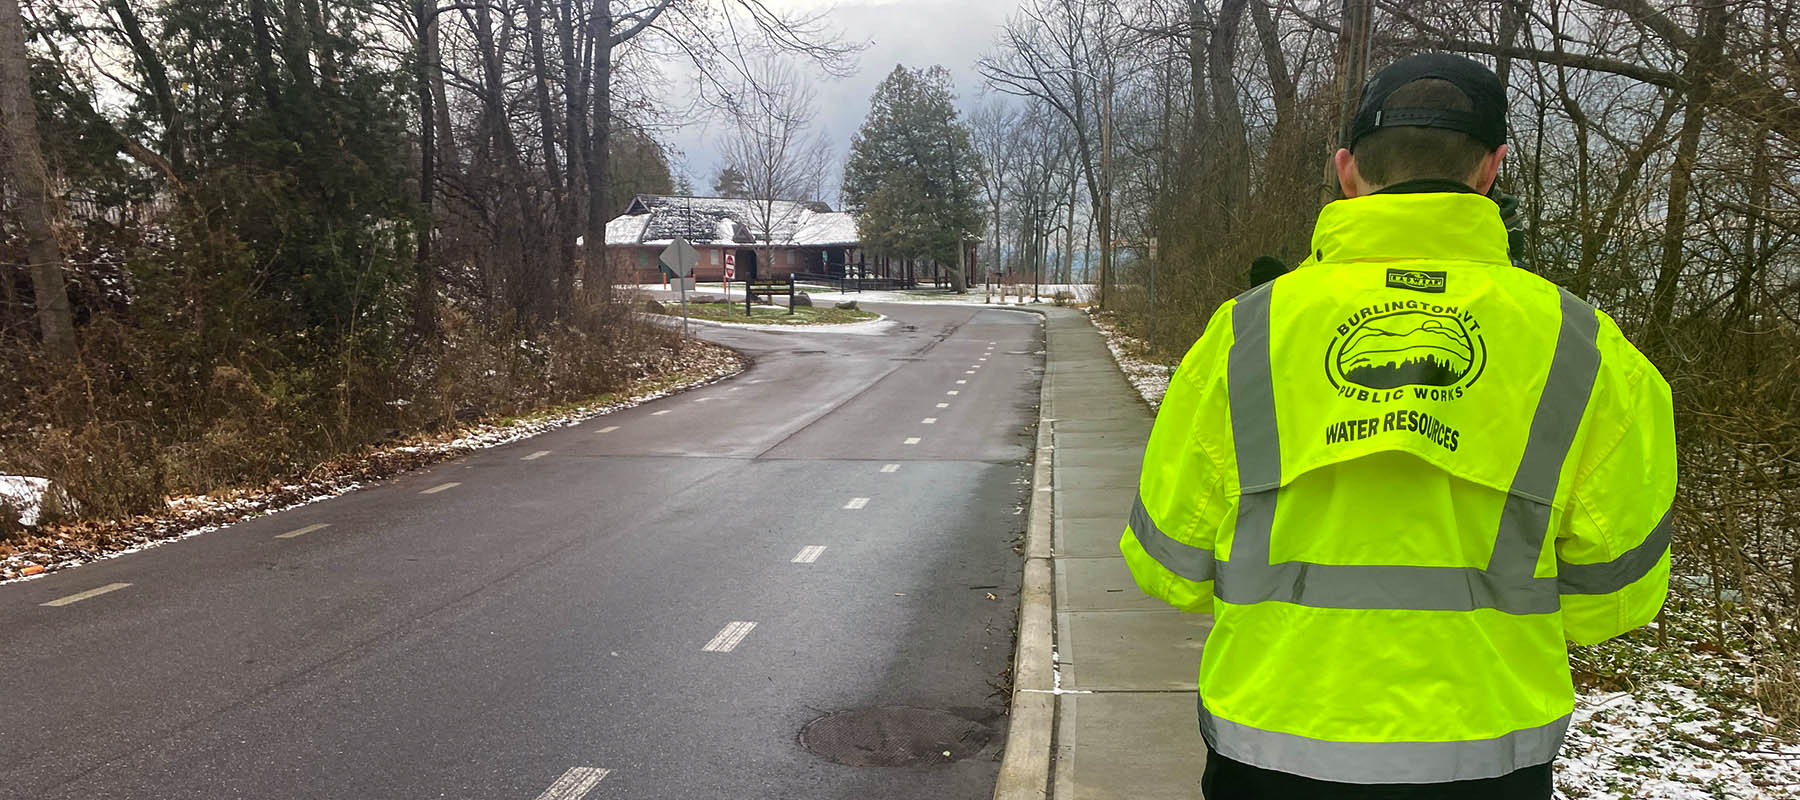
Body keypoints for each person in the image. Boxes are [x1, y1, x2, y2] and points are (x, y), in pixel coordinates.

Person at [1119, 53, 1675, 799]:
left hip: (1271, 751)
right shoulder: (1586, 349)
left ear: (1347, 171)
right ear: (1491, 170)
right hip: (1486, 762)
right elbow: (1615, 600)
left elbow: (1169, 566)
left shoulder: (1245, 335)